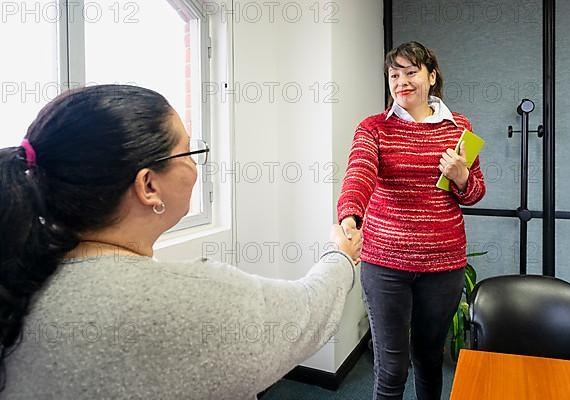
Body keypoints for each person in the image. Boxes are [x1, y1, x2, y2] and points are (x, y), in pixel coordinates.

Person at [0, 84, 361, 400]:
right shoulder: (196, 299)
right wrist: (342, 254)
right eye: (187, 153)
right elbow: (308, 313)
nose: (194, 167)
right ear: (148, 186)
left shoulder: (17, 281)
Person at [337, 41, 486, 400]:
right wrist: (349, 217)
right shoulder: (374, 128)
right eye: (394, 74)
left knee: (429, 359)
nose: (401, 81)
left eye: (410, 72)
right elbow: (359, 173)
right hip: (385, 262)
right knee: (391, 367)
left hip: (443, 263)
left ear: (431, 76)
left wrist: (462, 176)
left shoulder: (458, 128)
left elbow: (475, 193)